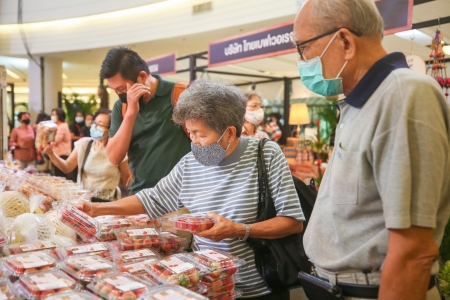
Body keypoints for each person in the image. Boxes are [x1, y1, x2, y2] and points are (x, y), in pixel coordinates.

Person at [76, 80, 305, 299]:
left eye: (201, 134)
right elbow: (153, 199)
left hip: (259, 286)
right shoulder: (190, 163)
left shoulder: (265, 155)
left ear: (230, 133)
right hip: (209, 284)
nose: (194, 142)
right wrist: (97, 209)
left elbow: (293, 222)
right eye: (190, 133)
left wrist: (238, 229)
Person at [294, 1, 450, 299]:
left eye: (303, 47)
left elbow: (412, 251)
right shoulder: (359, 102)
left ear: (344, 42)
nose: (301, 60)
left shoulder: (403, 96)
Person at [100, 47, 191, 195]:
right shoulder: (121, 107)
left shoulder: (180, 94)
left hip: (181, 196)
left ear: (142, 76)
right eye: (115, 90)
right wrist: (131, 113)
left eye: (122, 88)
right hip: (139, 197)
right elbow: (114, 157)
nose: (119, 94)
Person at [42, 109, 129, 201]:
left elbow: (127, 181)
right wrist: (51, 153)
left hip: (107, 204)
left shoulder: (118, 151)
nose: (95, 127)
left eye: (99, 124)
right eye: (94, 123)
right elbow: (67, 167)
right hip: (84, 202)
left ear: (111, 128)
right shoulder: (84, 144)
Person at [50, 108, 71, 178]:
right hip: (58, 154)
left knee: (60, 177)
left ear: (59, 116)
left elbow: (55, 140)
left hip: (62, 154)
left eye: (54, 114)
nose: (52, 116)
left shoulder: (62, 126)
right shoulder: (59, 126)